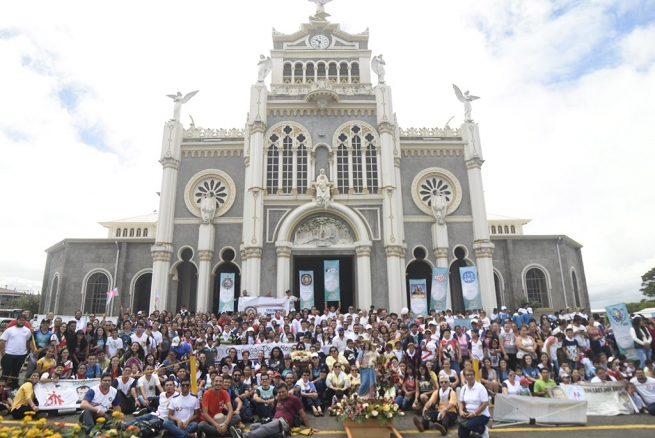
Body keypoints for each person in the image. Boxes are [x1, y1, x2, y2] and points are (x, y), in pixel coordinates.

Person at [229, 382, 319, 438]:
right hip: (274, 420)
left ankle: (244, 436)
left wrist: (309, 428)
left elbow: (303, 414)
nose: (281, 394)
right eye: (279, 392)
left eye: (283, 391)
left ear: (288, 390)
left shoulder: (295, 399)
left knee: (265, 428)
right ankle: (277, 435)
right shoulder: (279, 398)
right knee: (253, 427)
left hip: (284, 422)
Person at [0, 313, 35, 389]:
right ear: (17, 320)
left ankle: (14, 388)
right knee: (5, 372)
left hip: (21, 355)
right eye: (20, 320)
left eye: (23, 320)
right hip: (9, 354)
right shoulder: (9, 330)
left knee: (16, 373)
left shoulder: (27, 331)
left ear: (25, 321)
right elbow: (2, 342)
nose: (21, 321)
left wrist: (27, 351)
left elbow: (28, 342)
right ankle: (1, 388)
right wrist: (3, 353)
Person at [457, 369, 490, 438]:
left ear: (474, 375)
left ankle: (483, 430)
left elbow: (485, 403)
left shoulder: (480, 387)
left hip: (481, 414)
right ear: (465, 377)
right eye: (467, 375)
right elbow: (461, 402)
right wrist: (461, 411)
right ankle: (473, 427)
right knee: (462, 435)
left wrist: (474, 413)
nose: (469, 376)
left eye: (471, 374)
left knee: (471, 425)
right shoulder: (464, 388)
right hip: (468, 414)